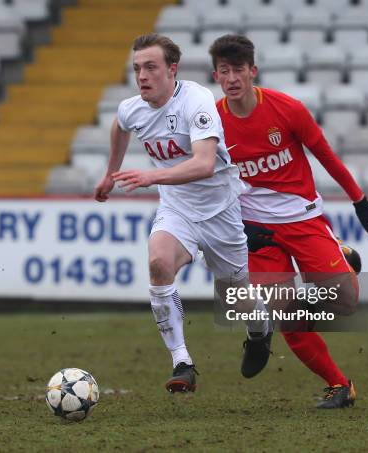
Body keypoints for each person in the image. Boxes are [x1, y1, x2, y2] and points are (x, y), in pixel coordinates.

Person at [209, 34, 368, 409]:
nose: (232, 77)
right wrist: (235, 227)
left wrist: (360, 200)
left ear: (252, 71)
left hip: (302, 218)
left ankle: (336, 252)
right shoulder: (213, 123)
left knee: (347, 301)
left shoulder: (287, 109)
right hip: (257, 232)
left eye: (238, 69)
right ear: (217, 75)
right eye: (224, 71)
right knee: (285, 313)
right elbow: (211, 183)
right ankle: (340, 386)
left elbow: (325, 154)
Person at [94, 33, 272, 393]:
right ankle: (182, 362)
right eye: (137, 68)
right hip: (177, 210)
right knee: (159, 263)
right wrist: (110, 173)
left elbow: (205, 164)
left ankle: (260, 330)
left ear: (171, 69)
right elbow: (120, 127)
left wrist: (151, 176)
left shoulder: (197, 101)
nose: (142, 76)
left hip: (220, 212)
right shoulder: (133, 108)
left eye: (151, 67)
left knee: (234, 299)